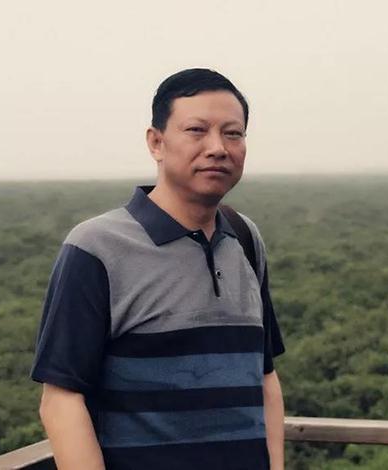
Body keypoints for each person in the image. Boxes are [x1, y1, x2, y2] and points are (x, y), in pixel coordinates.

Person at [30, 68, 286, 470]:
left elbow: (265, 376)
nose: (218, 147)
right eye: (197, 130)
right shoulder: (97, 247)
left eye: (233, 133)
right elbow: (61, 400)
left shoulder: (244, 238)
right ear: (156, 142)